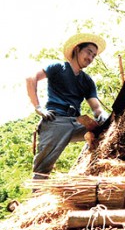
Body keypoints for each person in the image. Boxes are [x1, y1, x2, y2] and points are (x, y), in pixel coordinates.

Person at [26, 33, 109, 180]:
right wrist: (38, 107)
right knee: (42, 169)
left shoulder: (87, 81)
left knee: (107, 127)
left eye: (94, 56)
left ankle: (95, 168)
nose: (90, 58)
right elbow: (30, 78)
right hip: (56, 120)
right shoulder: (58, 68)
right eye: (88, 52)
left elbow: (96, 107)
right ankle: (38, 199)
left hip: (77, 122)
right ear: (77, 49)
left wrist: (101, 116)